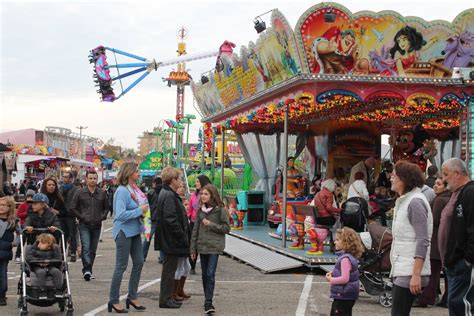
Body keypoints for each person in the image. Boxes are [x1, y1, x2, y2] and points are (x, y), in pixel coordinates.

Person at [389, 161, 433, 316]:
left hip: (409, 271)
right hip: (403, 267)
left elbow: (423, 239)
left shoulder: (415, 202)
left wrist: (416, 274)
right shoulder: (406, 200)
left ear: (404, 179)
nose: (391, 179)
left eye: (394, 176)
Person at [108, 162, 147, 313]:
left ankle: (132, 296)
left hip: (135, 230)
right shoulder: (122, 191)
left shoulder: (135, 189)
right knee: (121, 266)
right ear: (129, 173)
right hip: (124, 231)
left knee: (139, 262)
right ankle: (113, 299)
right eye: (137, 171)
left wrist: (143, 212)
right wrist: (139, 210)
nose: (139, 174)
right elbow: (120, 214)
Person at [440, 158, 473, 315]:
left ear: (457, 173)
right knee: (455, 306)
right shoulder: (456, 193)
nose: (443, 179)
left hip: (463, 264)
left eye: (446, 174)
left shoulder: (470, 192)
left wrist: (467, 259)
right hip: (453, 263)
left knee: (462, 306)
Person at [191, 184, 230, 314]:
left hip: (215, 246)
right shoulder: (200, 211)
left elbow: (226, 228)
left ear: (212, 195)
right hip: (202, 246)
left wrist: (210, 224)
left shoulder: (220, 210)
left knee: (210, 273)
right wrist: (193, 249)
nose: (203, 196)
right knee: (204, 275)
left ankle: (208, 302)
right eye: (202, 194)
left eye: (206, 194)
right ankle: (207, 299)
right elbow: (195, 230)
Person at [154, 167, 190, 309]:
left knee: (170, 270)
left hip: (169, 239)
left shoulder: (168, 193)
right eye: (179, 179)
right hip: (171, 240)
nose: (180, 181)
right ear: (172, 180)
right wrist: (181, 235)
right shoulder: (168, 195)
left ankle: (169, 297)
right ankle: (165, 299)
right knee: (169, 271)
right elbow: (171, 219)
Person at [416, 176, 451, 307]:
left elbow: (434, 220)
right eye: (435, 183)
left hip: (436, 240)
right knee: (445, 273)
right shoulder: (449, 198)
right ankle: (446, 298)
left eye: (439, 184)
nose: (435, 186)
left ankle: (427, 298)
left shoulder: (440, 200)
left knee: (433, 272)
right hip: (444, 240)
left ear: (445, 186)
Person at [70, 170, 109, 281]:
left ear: (97, 179)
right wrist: (81, 217)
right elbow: (72, 208)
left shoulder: (102, 193)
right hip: (84, 224)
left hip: (97, 225)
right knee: (86, 247)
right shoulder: (80, 193)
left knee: (93, 249)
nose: (92, 180)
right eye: (90, 178)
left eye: (94, 178)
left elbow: (107, 207)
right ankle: (86, 269)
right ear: (86, 179)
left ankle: (89, 269)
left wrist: (103, 216)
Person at [325, 227, 364, 316]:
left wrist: (331, 279)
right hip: (348, 295)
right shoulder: (349, 257)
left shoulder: (345, 259)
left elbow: (344, 279)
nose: (335, 242)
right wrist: (334, 274)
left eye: (338, 240)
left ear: (346, 243)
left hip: (343, 295)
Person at [187, 175, 211, 274]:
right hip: (193, 223)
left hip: (205, 223)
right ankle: (192, 266)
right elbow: (190, 209)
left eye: (197, 181)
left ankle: (207, 265)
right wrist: (188, 218)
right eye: (196, 181)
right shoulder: (193, 195)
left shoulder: (209, 195)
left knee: (205, 244)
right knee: (193, 244)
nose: (196, 183)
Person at [173, 182, 192, 302]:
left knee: (187, 267)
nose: (182, 189)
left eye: (183, 187)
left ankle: (179, 290)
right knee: (180, 267)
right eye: (179, 187)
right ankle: (174, 292)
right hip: (179, 242)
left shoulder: (182, 206)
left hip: (185, 241)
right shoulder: (175, 203)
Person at [0, 196, 16, 305]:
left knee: (2, 274)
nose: (0, 207)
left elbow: (19, 237)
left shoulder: (13, 222)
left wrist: (11, 244)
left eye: (3, 205)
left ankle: (2, 295)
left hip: (4, 253)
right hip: (5, 250)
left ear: (9, 207)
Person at [142, 177, 162, 262]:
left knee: (147, 239)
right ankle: (162, 257)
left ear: (154, 183)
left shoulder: (150, 192)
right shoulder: (163, 192)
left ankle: (142, 256)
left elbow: (146, 205)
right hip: (161, 219)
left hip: (150, 218)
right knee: (161, 239)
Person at [60, 172, 79, 263]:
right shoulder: (60, 188)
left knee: (72, 235)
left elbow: (76, 202)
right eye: (64, 177)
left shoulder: (75, 189)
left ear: (71, 179)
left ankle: (73, 254)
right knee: (63, 235)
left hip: (71, 215)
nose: (65, 179)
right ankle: (62, 253)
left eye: (67, 177)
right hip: (61, 215)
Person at [15, 189, 35, 262]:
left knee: (31, 242)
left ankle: (29, 256)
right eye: (28, 197)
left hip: (32, 226)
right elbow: (18, 215)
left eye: (31, 197)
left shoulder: (34, 205)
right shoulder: (23, 205)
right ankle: (17, 255)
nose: (30, 199)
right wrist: (27, 213)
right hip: (24, 225)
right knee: (22, 241)